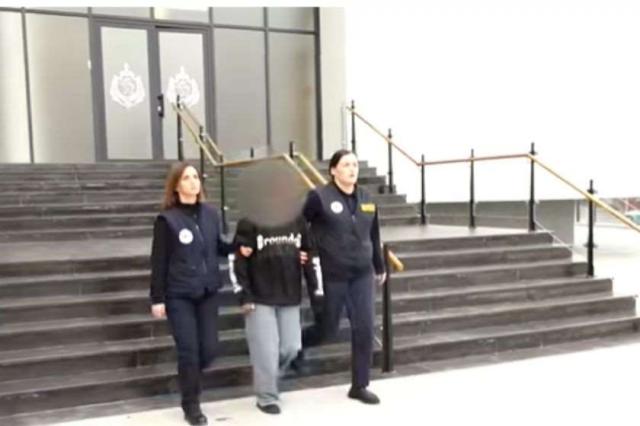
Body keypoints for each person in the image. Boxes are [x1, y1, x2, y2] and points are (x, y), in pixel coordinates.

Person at [149, 162, 250, 426]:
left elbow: (218, 247)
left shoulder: (210, 214)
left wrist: (237, 248)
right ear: (176, 185)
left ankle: (187, 378)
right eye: (187, 178)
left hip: (207, 291)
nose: (193, 182)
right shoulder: (167, 220)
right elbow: (159, 261)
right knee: (189, 351)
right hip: (179, 294)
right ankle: (191, 406)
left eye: (196, 177)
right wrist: (157, 298)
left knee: (210, 349)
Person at [300, 149, 386, 405]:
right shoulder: (319, 197)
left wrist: (379, 266)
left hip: (361, 274)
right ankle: (296, 344)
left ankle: (359, 385)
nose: (352, 169)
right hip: (332, 274)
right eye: (346, 164)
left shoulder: (367, 198)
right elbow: (298, 223)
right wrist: (302, 250)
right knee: (328, 328)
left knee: (365, 328)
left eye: (355, 165)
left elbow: (374, 235)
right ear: (333, 170)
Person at [231, 184, 322, 415]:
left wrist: (316, 290)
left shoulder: (298, 221)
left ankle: (268, 376)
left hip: (289, 294)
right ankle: (266, 396)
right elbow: (238, 261)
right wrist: (244, 295)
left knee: (292, 347)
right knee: (265, 351)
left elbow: (309, 254)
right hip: (259, 297)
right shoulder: (250, 222)